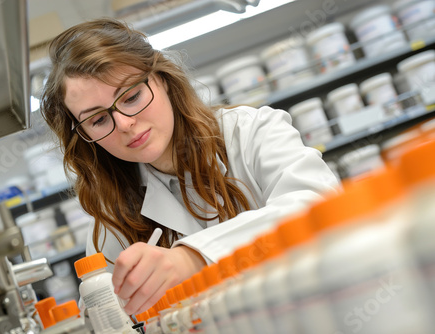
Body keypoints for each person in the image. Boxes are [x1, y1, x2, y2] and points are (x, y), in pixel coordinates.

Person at [40, 18, 340, 316]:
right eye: (98, 119)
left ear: (162, 80)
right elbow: (107, 310)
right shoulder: (112, 217)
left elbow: (318, 205)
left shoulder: (251, 132)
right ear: (85, 136)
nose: (125, 123)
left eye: (131, 96)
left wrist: (192, 258)